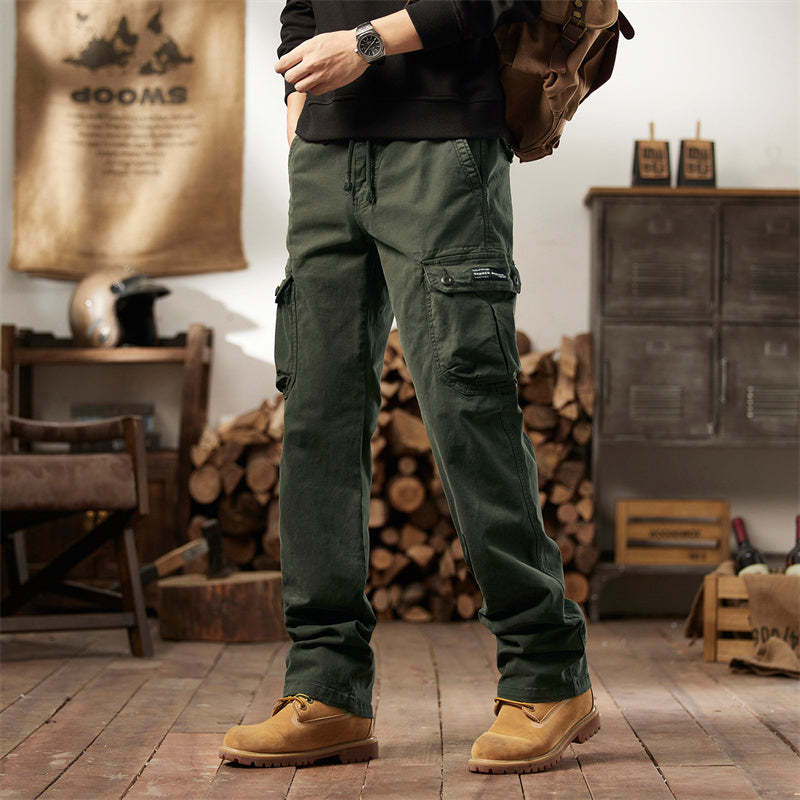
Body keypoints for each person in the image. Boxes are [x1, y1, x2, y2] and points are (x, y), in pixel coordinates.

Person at [219, 0, 599, 775]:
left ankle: (547, 672)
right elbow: (302, 8)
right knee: (316, 419)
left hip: (444, 148)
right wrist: (297, 107)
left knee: (467, 411)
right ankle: (327, 689)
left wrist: (366, 44)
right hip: (325, 157)